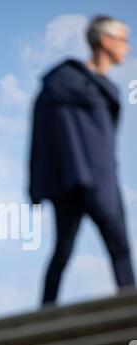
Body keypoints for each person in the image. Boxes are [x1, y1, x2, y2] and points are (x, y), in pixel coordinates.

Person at [28, 15, 136, 305]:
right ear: (105, 41)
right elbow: (42, 134)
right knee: (71, 252)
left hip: (94, 179)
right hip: (79, 180)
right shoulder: (61, 83)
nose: (128, 46)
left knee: (110, 251)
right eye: (123, 39)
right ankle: (44, 319)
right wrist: (37, 181)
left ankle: (128, 315)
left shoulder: (103, 90)